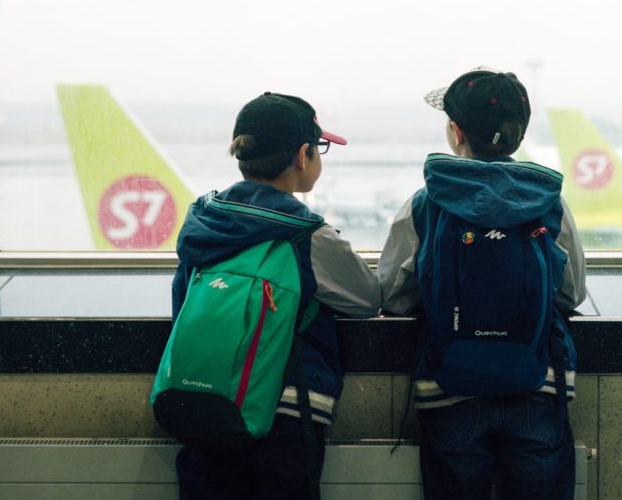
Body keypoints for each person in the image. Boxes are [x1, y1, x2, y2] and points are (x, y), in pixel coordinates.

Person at [378, 67, 586, 500]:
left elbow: (395, 299)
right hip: (535, 382)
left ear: (456, 132)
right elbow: (571, 292)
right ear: (518, 134)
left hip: (448, 387)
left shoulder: (425, 202)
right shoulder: (549, 202)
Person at [172, 91, 381, 500]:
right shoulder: (306, 233)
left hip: (205, 400)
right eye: (319, 148)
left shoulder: (201, 220)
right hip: (285, 410)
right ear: (303, 155)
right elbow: (367, 298)